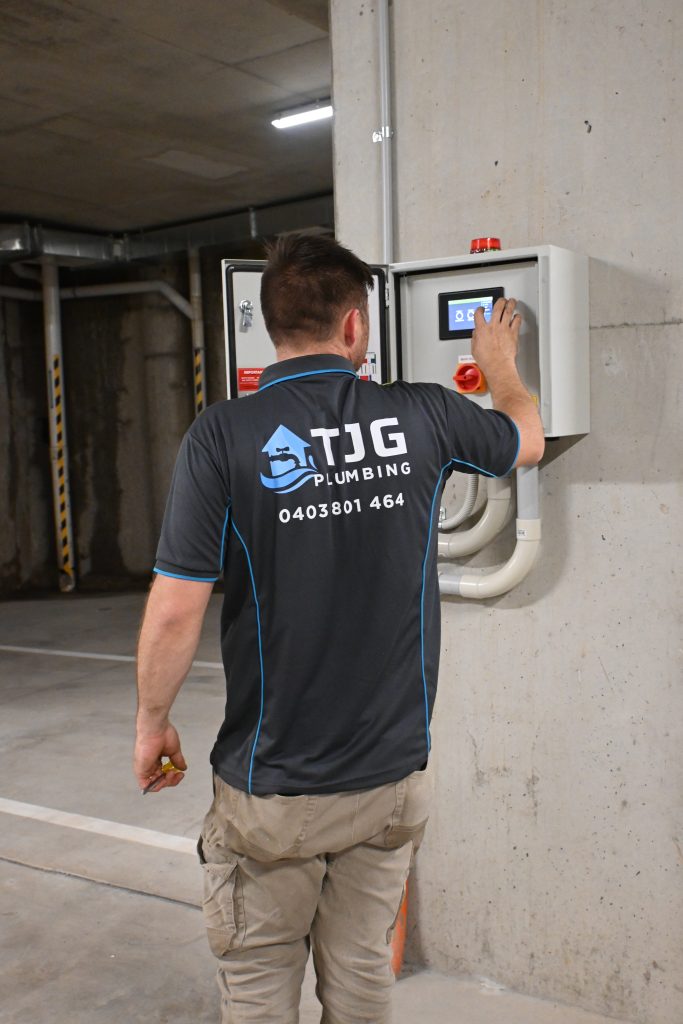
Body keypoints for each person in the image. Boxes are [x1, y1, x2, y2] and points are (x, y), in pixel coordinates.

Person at [133, 233, 544, 1024]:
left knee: (258, 989)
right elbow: (523, 438)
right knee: (360, 982)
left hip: (275, 787)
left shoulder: (222, 436)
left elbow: (178, 603)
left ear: (267, 324)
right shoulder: (423, 412)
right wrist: (500, 372)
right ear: (355, 328)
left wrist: (153, 721)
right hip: (391, 780)